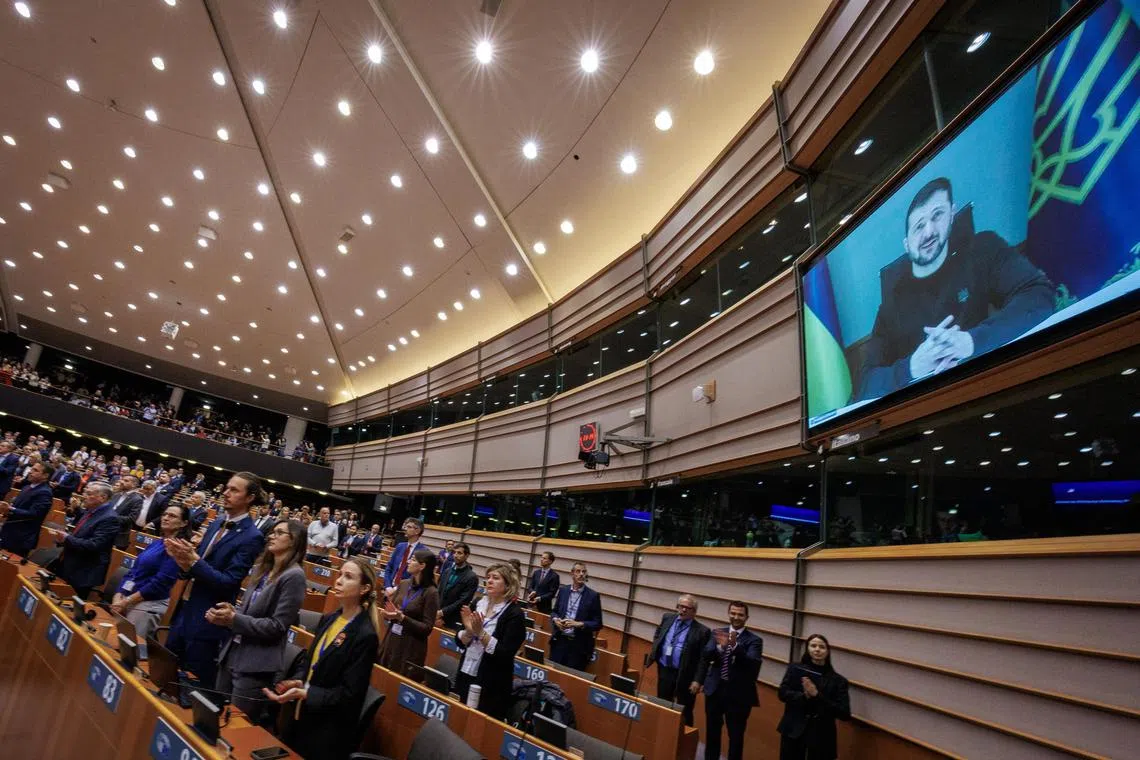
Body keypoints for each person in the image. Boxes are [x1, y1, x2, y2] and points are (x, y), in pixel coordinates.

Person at [857, 177, 1054, 401]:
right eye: (919, 226)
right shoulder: (890, 305)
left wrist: (970, 342)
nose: (929, 231)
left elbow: (1039, 294)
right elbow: (866, 384)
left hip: (992, 389)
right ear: (907, 244)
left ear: (952, 215)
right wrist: (912, 366)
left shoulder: (982, 250)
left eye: (937, 215)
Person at [263, 559, 380, 760]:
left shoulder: (365, 635)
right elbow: (311, 662)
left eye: (348, 577)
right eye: (340, 574)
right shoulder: (329, 619)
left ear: (365, 588)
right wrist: (299, 680)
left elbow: (350, 695)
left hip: (326, 733)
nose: (339, 580)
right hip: (301, 718)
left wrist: (308, 693)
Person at [164, 472, 267, 688]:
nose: (226, 493)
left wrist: (193, 561)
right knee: (165, 676)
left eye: (234, 490)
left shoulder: (252, 536)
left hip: (208, 620)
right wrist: (183, 561)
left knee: (191, 690)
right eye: (227, 488)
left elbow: (228, 582)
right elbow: (197, 566)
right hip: (184, 609)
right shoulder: (216, 522)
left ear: (249, 498)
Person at [213, 519, 308, 724]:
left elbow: (278, 626)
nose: (271, 536)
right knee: (214, 717)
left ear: (294, 541)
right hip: (232, 652)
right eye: (272, 532)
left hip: (255, 664)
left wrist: (235, 619)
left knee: (236, 727)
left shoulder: (294, 576)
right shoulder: (262, 568)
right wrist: (232, 612)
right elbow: (249, 612)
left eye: (279, 533)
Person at [454, 563, 527, 720]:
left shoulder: (514, 614)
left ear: (508, 584)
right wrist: (469, 631)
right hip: (466, 670)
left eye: (495, 578)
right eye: (488, 577)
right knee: (458, 716)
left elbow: (505, 653)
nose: (489, 581)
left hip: (492, 683)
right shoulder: (477, 603)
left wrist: (480, 632)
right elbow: (459, 641)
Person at [111, 503, 190, 639]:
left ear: (183, 523)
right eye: (165, 514)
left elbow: (160, 583)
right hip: (129, 598)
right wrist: (119, 594)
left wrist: (127, 601)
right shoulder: (158, 542)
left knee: (128, 646)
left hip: (147, 604)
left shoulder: (179, 548)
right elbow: (133, 571)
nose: (165, 518)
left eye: (172, 516)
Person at [696, 601, 763, 760]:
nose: (736, 617)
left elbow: (752, 663)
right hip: (715, 690)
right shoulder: (717, 632)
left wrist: (733, 646)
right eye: (733, 613)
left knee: (736, 736)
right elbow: (706, 655)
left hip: (738, 695)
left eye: (740, 614)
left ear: (747, 617)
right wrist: (719, 647)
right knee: (712, 732)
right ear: (728, 614)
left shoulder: (755, 640)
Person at [778, 634, 851, 760]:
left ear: (828, 652)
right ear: (807, 649)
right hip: (793, 730)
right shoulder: (795, 669)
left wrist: (817, 695)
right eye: (813, 646)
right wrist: (804, 696)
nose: (817, 649)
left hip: (822, 735)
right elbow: (782, 693)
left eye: (822, 647)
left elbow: (844, 713)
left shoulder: (838, 681)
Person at [647, 593, 710, 726]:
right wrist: (655, 651)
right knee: (662, 703)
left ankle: (685, 741)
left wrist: (698, 680)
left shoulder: (702, 631)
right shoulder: (667, 618)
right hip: (664, 669)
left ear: (694, 611)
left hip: (686, 675)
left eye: (688, 608)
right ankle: (662, 733)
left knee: (685, 710)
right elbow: (658, 633)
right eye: (681, 606)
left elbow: (703, 659)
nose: (683, 610)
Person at [52, 483, 121, 599]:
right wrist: (64, 539)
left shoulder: (110, 518)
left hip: (84, 571)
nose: (84, 496)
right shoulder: (90, 510)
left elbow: (94, 545)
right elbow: (80, 535)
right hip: (70, 564)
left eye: (89, 494)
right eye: (85, 492)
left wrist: (67, 538)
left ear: (102, 498)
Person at [377, 549, 440, 677]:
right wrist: (388, 615)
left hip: (410, 647)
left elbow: (427, 628)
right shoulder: (404, 583)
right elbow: (391, 609)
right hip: (391, 639)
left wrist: (402, 618)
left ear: (422, 566)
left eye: (413, 560)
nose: (408, 562)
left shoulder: (431, 592)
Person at [550, 561, 603, 671]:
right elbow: (554, 612)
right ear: (572, 573)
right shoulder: (563, 591)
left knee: (571, 680)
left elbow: (598, 623)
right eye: (578, 571)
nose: (581, 574)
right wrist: (556, 620)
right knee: (553, 675)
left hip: (578, 646)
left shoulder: (593, 596)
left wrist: (579, 624)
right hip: (559, 641)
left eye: (584, 572)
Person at [0, 461, 55, 557]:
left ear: (45, 476)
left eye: (35, 470)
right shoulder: (26, 487)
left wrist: (10, 509)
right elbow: (18, 507)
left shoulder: (45, 492)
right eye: (31, 468)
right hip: (9, 532)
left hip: (21, 537)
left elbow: (34, 514)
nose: (30, 471)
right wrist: (7, 510)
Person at [435, 542, 477, 630]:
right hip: (437, 615)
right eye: (454, 552)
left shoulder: (471, 577)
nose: (455, 555)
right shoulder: (447, 571)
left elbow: (463, 601)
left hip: (453, 619)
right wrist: (437, 612)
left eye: (459, 553)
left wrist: (443, 613)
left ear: (467, 555)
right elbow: (439, 591)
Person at [383, 518, 425, 590]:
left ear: (417, 531)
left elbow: (416, 576)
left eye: (408, 527)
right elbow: (389, 567)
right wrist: (388, 586)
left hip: (404, 592)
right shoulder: (400, 546)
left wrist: (397, 589)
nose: (405, 529)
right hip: (389, 588)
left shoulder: (423, 551)